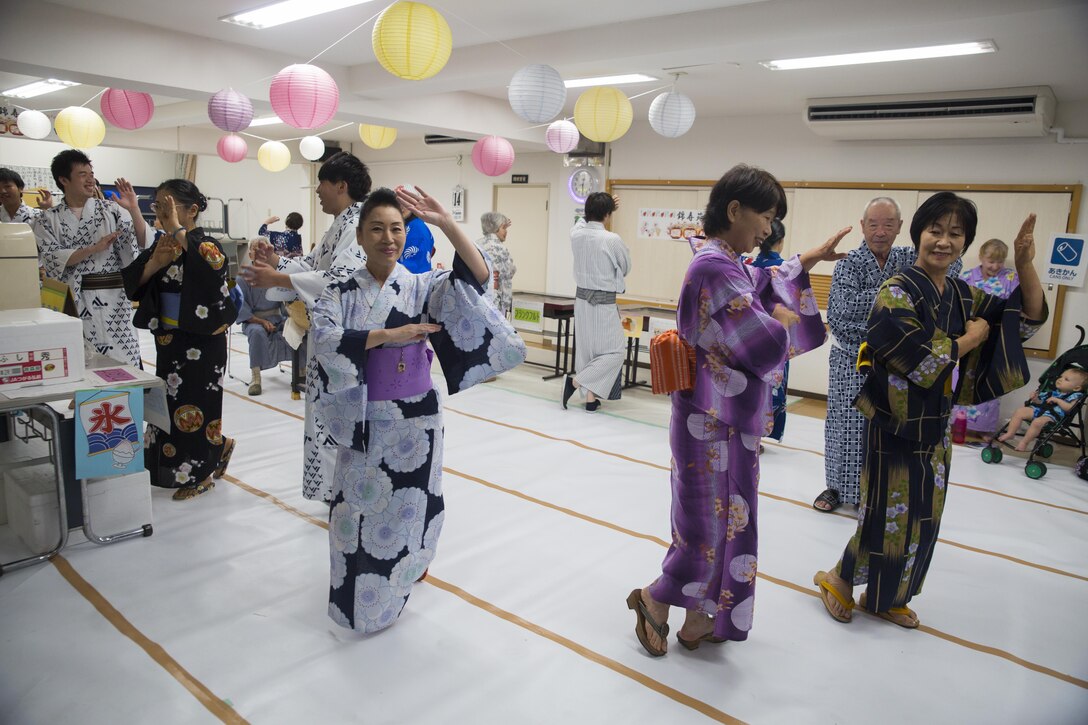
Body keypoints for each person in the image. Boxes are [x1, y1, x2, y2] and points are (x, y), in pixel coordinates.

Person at [626, 164, 848, 657]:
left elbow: (762, 279)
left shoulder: (724, 261)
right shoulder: (712, 266)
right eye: (764, 217)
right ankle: (656, 598)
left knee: (729, 520)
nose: (767, 229)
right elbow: (762, 339)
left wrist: (806, 259)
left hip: (722, 414)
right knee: (705, 525)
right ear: (734, 210)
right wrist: (783, 323)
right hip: (708, 417)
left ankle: (700, 616)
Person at [814, 194, 1046, 629]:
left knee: (923, 514)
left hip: (935, 421)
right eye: (935, 231)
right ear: (918, 233)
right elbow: (916, 356)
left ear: (965, 242)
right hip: (893, 421)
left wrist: (1025, 263)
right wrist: (969, 341)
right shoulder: (896, 290)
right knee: (885, 510)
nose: (943, 241)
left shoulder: (960, 292)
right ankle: (840, 580)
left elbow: (1024, 317)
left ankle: (887, 596)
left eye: (955, 234)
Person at [311, 186, 526, 632]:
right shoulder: (340, 289)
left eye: (396, 229)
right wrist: (388, 336)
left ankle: (400, 586)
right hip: (365, 414)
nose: (388, 238)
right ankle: (359, 603)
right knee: (353, 512)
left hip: (417, 419)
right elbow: (327, 340)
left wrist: (446, 222)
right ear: (361, 235)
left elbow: (477, 278)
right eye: (377, 229)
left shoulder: (419, 284)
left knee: (410, 508)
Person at [242, 151, 369, 502]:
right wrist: (275, 261)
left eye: (321, 183)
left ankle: (344, 491)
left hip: (344, 337)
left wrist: (278, 275)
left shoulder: (359, 224)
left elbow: (340, 278)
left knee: (339, 417)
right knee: (323, 416)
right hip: (325, 335)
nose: (317, 191)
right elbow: (313, 265)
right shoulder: (340, 223)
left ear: (341, 186)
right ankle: (333, 490)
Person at [815, 197, 952, 512]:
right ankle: (835, 489)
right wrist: (898, 294)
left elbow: (948, 266)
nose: (880, 231)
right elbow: (841, 310)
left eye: (888, 224)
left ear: (900, 228)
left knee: (884, 430)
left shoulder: (908, 257)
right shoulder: (848, 262)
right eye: (873, 224)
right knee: (844, 426)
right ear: (862, 226)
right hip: (851, 360)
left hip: (893, 364)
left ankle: (873, 491)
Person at [121, 179, 238, 500]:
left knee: (200, 407)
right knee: (168, 407)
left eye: (168, 206)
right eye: (159, 206)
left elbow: (213, 264)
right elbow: (133, 283)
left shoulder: (204, 243)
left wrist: (174, 229)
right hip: (170, 342)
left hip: (202, 343)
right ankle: (213, 448)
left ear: (192, 210)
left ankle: (202, 473)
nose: (161, 212)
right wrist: (156, 263)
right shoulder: (165, 245)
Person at [34, 150, 148, 367]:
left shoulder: (112, 210)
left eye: (91, 173)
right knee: (79, 361)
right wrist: (94, 248)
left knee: (123, 361)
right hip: (74, 300)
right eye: (82, 174)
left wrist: (134, 209)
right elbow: (52, 259)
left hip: (114, 298)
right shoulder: (47, 219)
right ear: (63, 180)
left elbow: (140, 245)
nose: (90, 179)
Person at [562, 192, 631, 412]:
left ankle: (590, 399)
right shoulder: (611, 239)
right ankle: (575, 382)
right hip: (603, 302)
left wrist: (602, 206)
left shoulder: (576, 234)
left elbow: (581, 223)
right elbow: (626, 267)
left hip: (581, 301)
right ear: (609, 215)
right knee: (615, 351)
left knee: (587, 350)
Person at [952, 238, 1019, 440]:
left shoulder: (1011, 278)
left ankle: (985, 428)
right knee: (961, 378)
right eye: (991, 261)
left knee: (986, 381)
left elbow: (1015, 308)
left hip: (993, 337)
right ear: (982, 257)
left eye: (999, 262)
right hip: (969, 334)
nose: (995, 266)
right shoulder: (967, 276)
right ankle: (956, 424)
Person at [750, 218, 789, 441]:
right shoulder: (783, 268)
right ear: (780, 241)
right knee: (773, 384)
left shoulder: (751, 265)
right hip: (776, 333)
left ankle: (751, 430)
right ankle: (761, 432)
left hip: (753, 334)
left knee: (755, 383)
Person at [997, 366, 1087, 452]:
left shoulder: (1075, 396)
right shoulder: (1052, 392)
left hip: (1053, 416)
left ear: (1076, 388)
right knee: (1019, 411)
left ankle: (1024, 443)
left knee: (1037, 422)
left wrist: (1057, 400)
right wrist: (1035, 399)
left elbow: (1070, 408)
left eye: (1066, 379)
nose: (1060, 379)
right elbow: (1040, 402)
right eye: (1061, 376)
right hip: (1039, 410)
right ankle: (1010, 433)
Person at [234, 275, 291, 396]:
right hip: (253, 320)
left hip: (277, 318)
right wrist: (262, 322)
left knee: (297, 330)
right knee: (257, 332)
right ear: (251, 255)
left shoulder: (277, 274)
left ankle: (301, 371)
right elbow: (240, 306)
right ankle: (256, 378)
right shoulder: (242, 279)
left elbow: (286, 300)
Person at [474, 211, 517, 317]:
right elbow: (509, 272)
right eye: (504, 228)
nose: (506, 232)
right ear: (495, 228)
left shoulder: (476, 244)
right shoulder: (498, 247)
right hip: (493, 298)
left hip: (476, 295)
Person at [398, 208, 435, 273]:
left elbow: (414, 266)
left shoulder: (417, 228)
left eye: (405, 201)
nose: (401, 207)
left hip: (409, 279)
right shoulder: (404, 225)